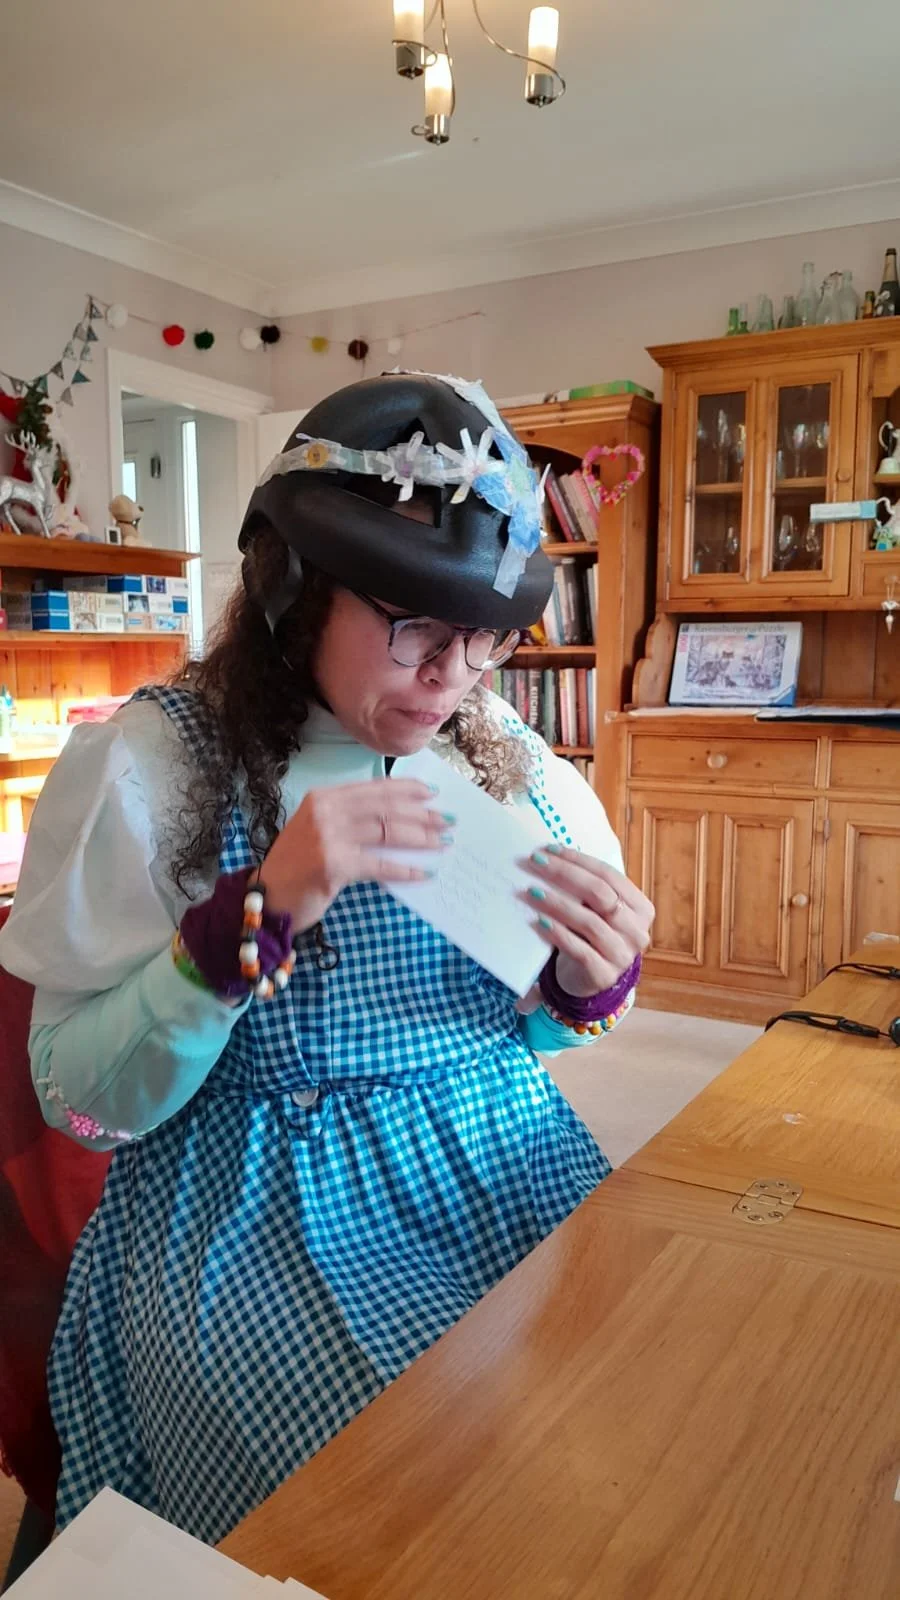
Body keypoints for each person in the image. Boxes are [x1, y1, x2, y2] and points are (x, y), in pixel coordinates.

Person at [0, 371, 653, 1545]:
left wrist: (579, 986)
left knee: (642, 1403)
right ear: (294, 590)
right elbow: (75, 1099)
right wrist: (250, 921)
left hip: (499, 1158)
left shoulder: (504, 754)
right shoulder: (153, 770)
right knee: (419, 1497)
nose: (454, 676)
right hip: (252, 1215)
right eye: (412, 625)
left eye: (485, 637)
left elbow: (539, 1033)